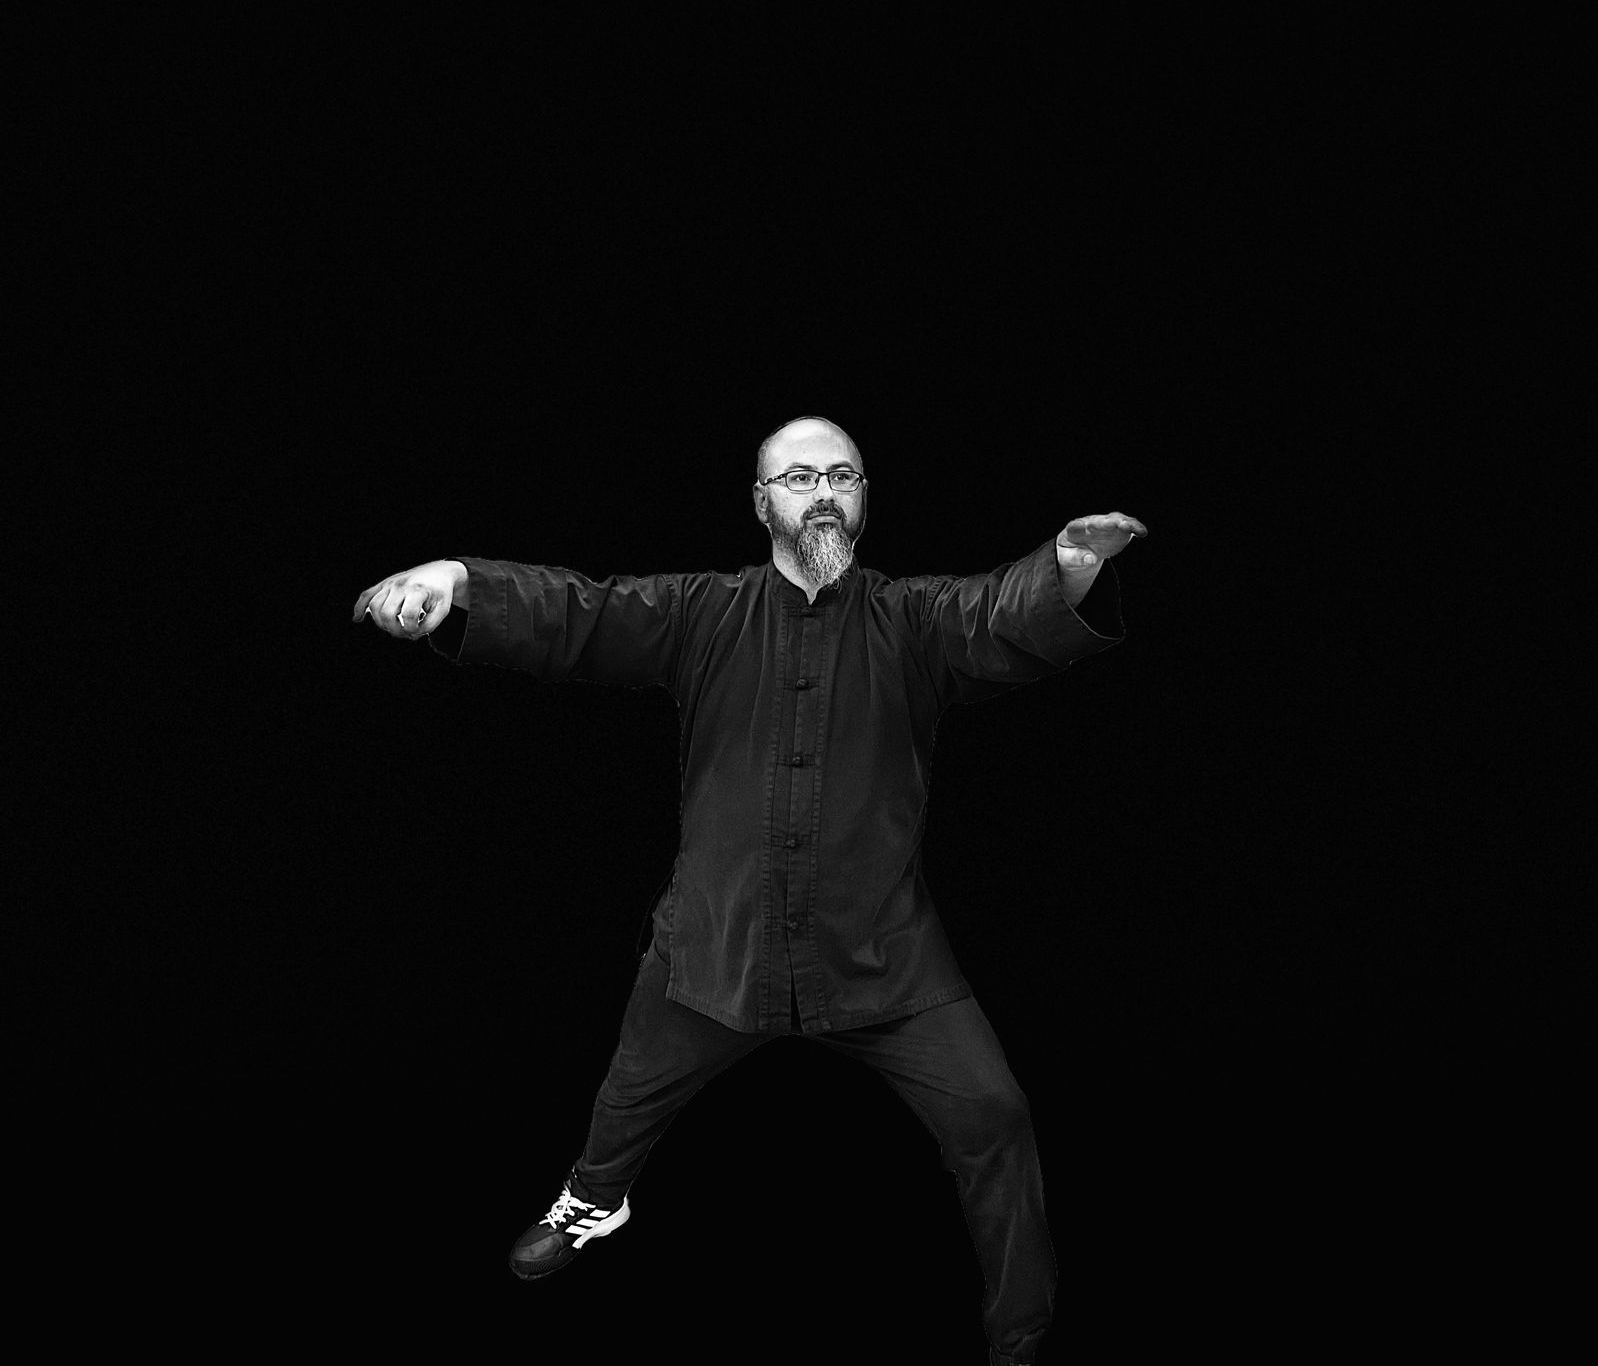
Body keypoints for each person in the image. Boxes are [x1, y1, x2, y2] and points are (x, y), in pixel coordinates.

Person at [351, 416, 1143, 1365]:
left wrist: (1067, 565)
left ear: (862, 500)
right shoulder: (701, 611)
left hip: (881, 953)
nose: (823, 491)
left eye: (843, 476)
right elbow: (582, 612)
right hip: (714, 946)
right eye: (799, 475)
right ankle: (594, 1204)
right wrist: (456, 581)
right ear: (761, 501)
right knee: (623, 1102)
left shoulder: (914, 619)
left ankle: (1023, 1329)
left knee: (997, 1118)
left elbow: (994, 614)